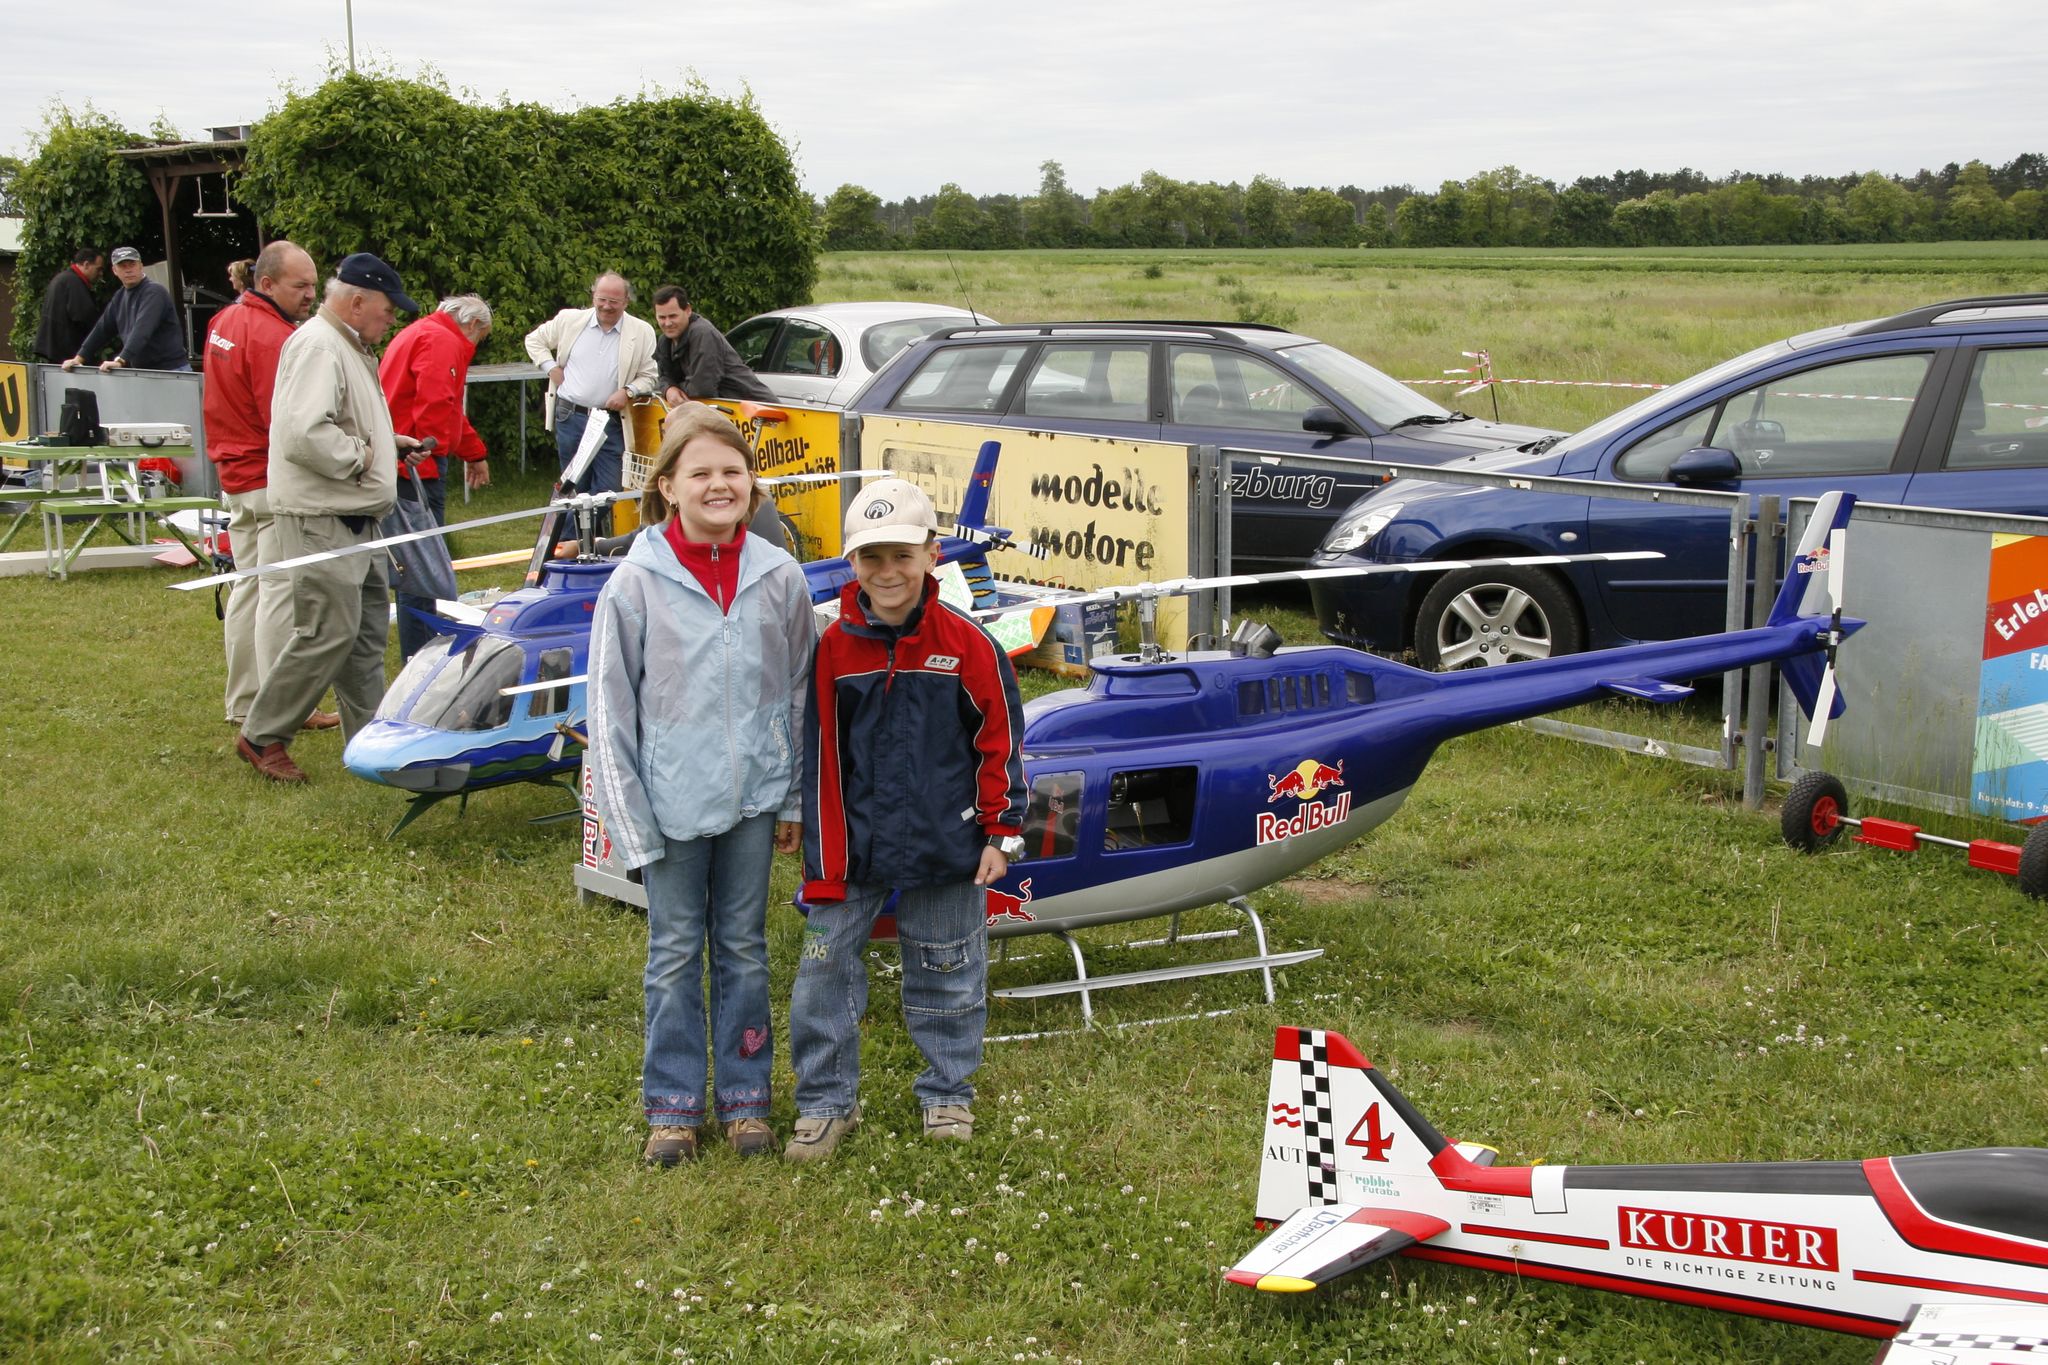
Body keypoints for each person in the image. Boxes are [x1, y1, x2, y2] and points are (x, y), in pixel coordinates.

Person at [584, 402, 814, 1166]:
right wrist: (629, 822)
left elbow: (799, 691)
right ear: (667, 487)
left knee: (744, 947)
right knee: (676, 950)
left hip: (753, 802)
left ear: (752, 483)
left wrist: (790, 796)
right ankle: (673, 1108)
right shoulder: (634, 585)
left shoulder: (780, 577)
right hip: (670, 805)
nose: (719, 484)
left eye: (732, 471)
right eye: (701, 472)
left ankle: (747, 1101)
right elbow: (610, 709)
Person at [786, 478, 1026, 1162]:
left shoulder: (970, 646)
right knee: (822, 973)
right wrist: (816, 844)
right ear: (851, 563)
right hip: (852, 848)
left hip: (947, 844)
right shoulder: (833, 649)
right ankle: (825, 1104)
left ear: (931, 553)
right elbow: (818, 750)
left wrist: (999, 831)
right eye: (871, 556)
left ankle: (947, 1092)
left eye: (902, 555)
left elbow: (1000, 743)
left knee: (949, 970)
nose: (887, 571)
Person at [235, 253, 421, 784]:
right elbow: (304, 434)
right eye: (388, 310)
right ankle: (262, 735)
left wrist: (387, 444)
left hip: (354, 517)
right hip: (323, 516)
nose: (392, 319)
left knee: (363, 638)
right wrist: (365, 457)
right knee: (327, 632)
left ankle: (372, 744)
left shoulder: (346, 345)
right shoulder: (320, 345)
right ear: (357, 302)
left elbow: (341, 420)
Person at [202, 239, 333, 731]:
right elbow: (285, 423)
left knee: (249, 587)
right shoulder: (275, 338)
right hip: (269, 478)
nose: (310, 295)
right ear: (266, 283)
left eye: (313, 285)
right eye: (301, 286)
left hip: (235, 475)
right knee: (279, 592)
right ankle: (283, 708)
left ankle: (244, 701)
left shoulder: (224, 322)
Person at [379, 293, 494, 658]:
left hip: (402, 458)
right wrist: (428, 464)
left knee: (414, 563)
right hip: (414, 465)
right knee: (422, 567)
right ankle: (422, 655)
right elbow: (436, 405)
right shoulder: (442, 341)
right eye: (480, 337)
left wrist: (474, 452)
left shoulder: (422, 332)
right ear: (473, 325)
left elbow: (446, 407)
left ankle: (419, 650)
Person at [523, 272, 658, 537]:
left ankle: (564, 542)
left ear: (626, 302)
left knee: (609, 489)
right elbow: (534, 340)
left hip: (610, 420)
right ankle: (576, 546)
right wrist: (550, 367)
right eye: (601, 299)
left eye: (614, 301)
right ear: (593, 296)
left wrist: (628, 391)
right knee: (575, 487)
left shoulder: (641, 331)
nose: (606, 306)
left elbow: (649, 375)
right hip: (571, 415)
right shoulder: (569, 320)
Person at [62, 246, 188, 372]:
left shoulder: (154, 292)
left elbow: (142, 329)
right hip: (144, 372)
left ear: (141, 266)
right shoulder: (120, 296)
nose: (128, 270)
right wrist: (79, 358)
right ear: (114, 270)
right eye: (123, 266)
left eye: (132, 265)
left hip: (171, 370)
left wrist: (121, 360)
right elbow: (102, 329)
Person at [652, 286, 775, 406]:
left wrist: (675, 389)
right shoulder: (665, 341)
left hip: (756, 409)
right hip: (721, 409)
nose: (667, 323)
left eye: (673, 316)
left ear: (688, 310)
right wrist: (669, 389)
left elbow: (701, 388)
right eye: (662, 317)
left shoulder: (703, 334)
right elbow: (664, 377)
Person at [33, 248, 103, 364]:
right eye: (98, 269)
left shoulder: (63, 278)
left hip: (54, 348)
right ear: (86, 265)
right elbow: (84, 316)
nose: (100, 274)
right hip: (67, 352)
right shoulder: (74, 282)